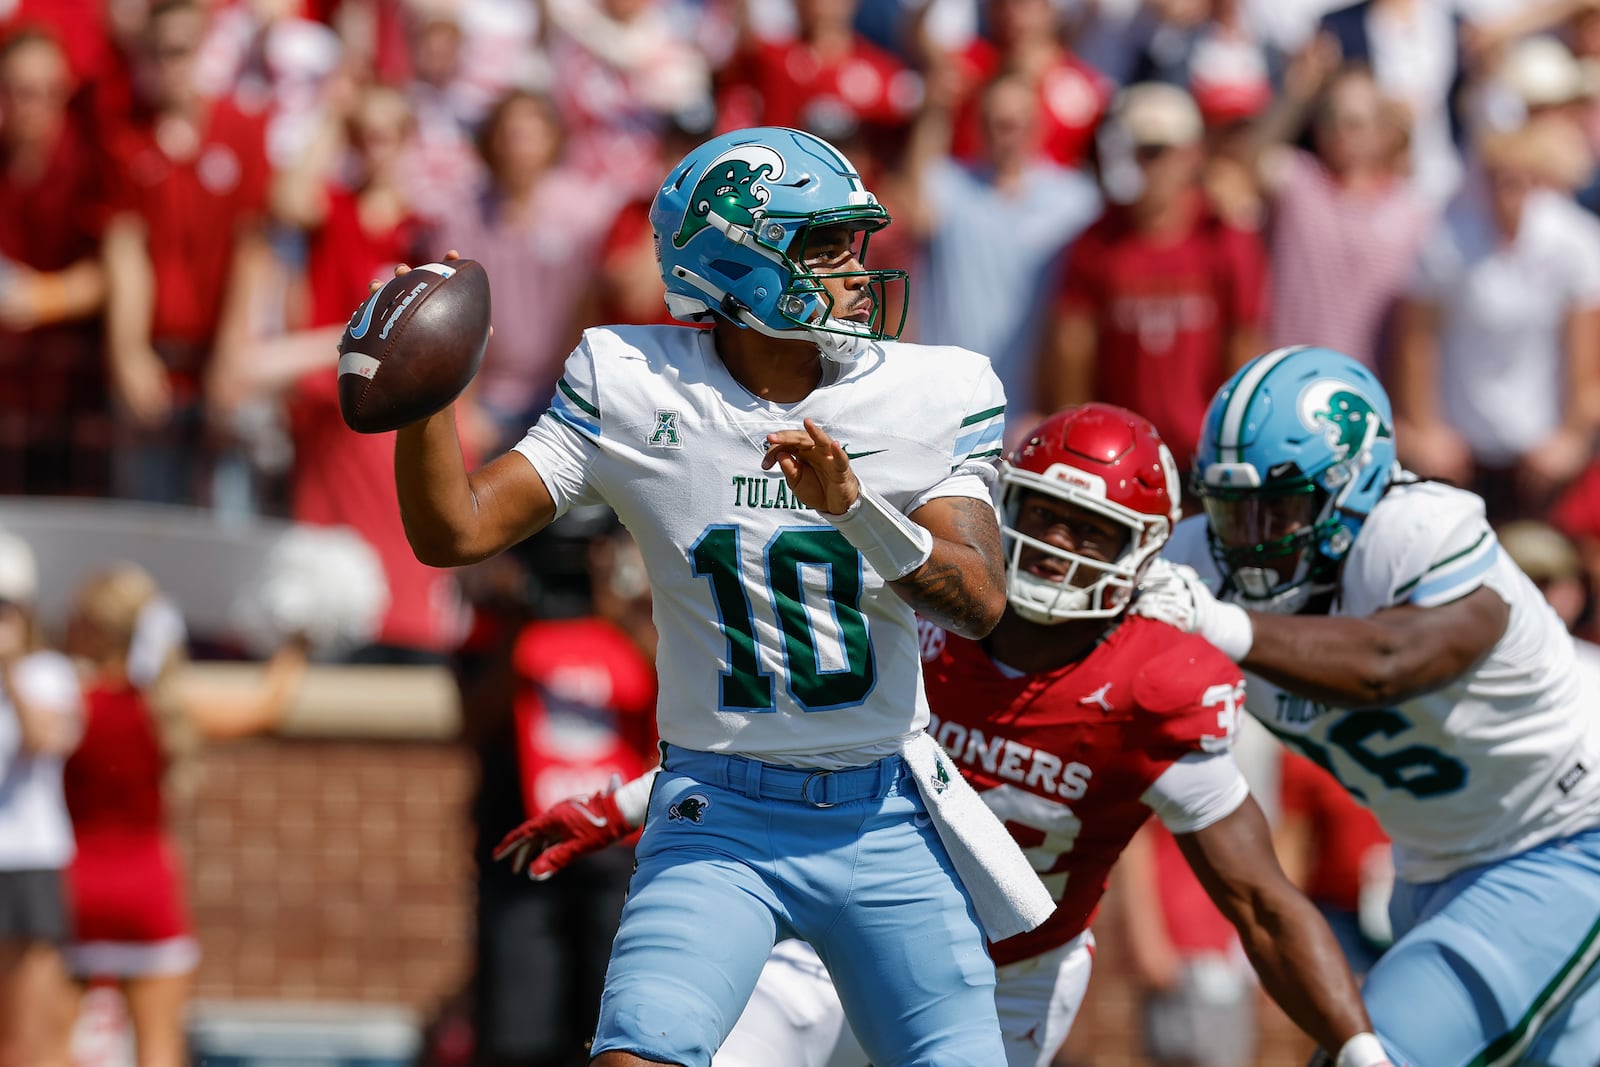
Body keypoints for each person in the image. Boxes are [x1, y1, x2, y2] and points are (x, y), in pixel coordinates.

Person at [391, 125, 1043, 1066]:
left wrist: (857, 510)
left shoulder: (933, 391)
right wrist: (426, 400)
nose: (856, 269)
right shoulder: (633, 383)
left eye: (852, 242)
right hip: (718, 816)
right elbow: (454, 531)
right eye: (822, 247)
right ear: (737, 266)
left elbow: (979, 600)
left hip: (886, 809)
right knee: (635, 1056)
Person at [497, 405, 1391, 1067]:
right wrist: (625, 799)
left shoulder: (1160, 682)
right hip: (830, 920)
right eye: (1043, 514)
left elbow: (1261, 897)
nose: (1057, 546)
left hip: (1009, 975)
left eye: (1093, 529)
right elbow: (789, 751)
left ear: (1144, 547)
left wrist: (1359, 1048)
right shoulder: (912, 619)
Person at [1139, 344, 1600, 1064]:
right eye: (1234, 512)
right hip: (1437, 864)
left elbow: (1390, 663)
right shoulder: (1194, 565)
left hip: (1567, 832)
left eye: (1280, 509)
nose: (1253, 543)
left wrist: (1219, 623)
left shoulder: (1419, 532)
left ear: (1353, 489)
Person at [54, 563, 308, 1067]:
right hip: (149, 894)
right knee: (160, 1048)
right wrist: (301, 637)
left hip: (72, 892)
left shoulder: (67, 705)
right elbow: (268, 705)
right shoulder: (168, 707)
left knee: (55, 1048)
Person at [0, 530, 82, 1067]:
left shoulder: (49, 674)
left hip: (29, 862)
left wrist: (7, 669)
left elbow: (45, 739)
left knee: (28, 1033)